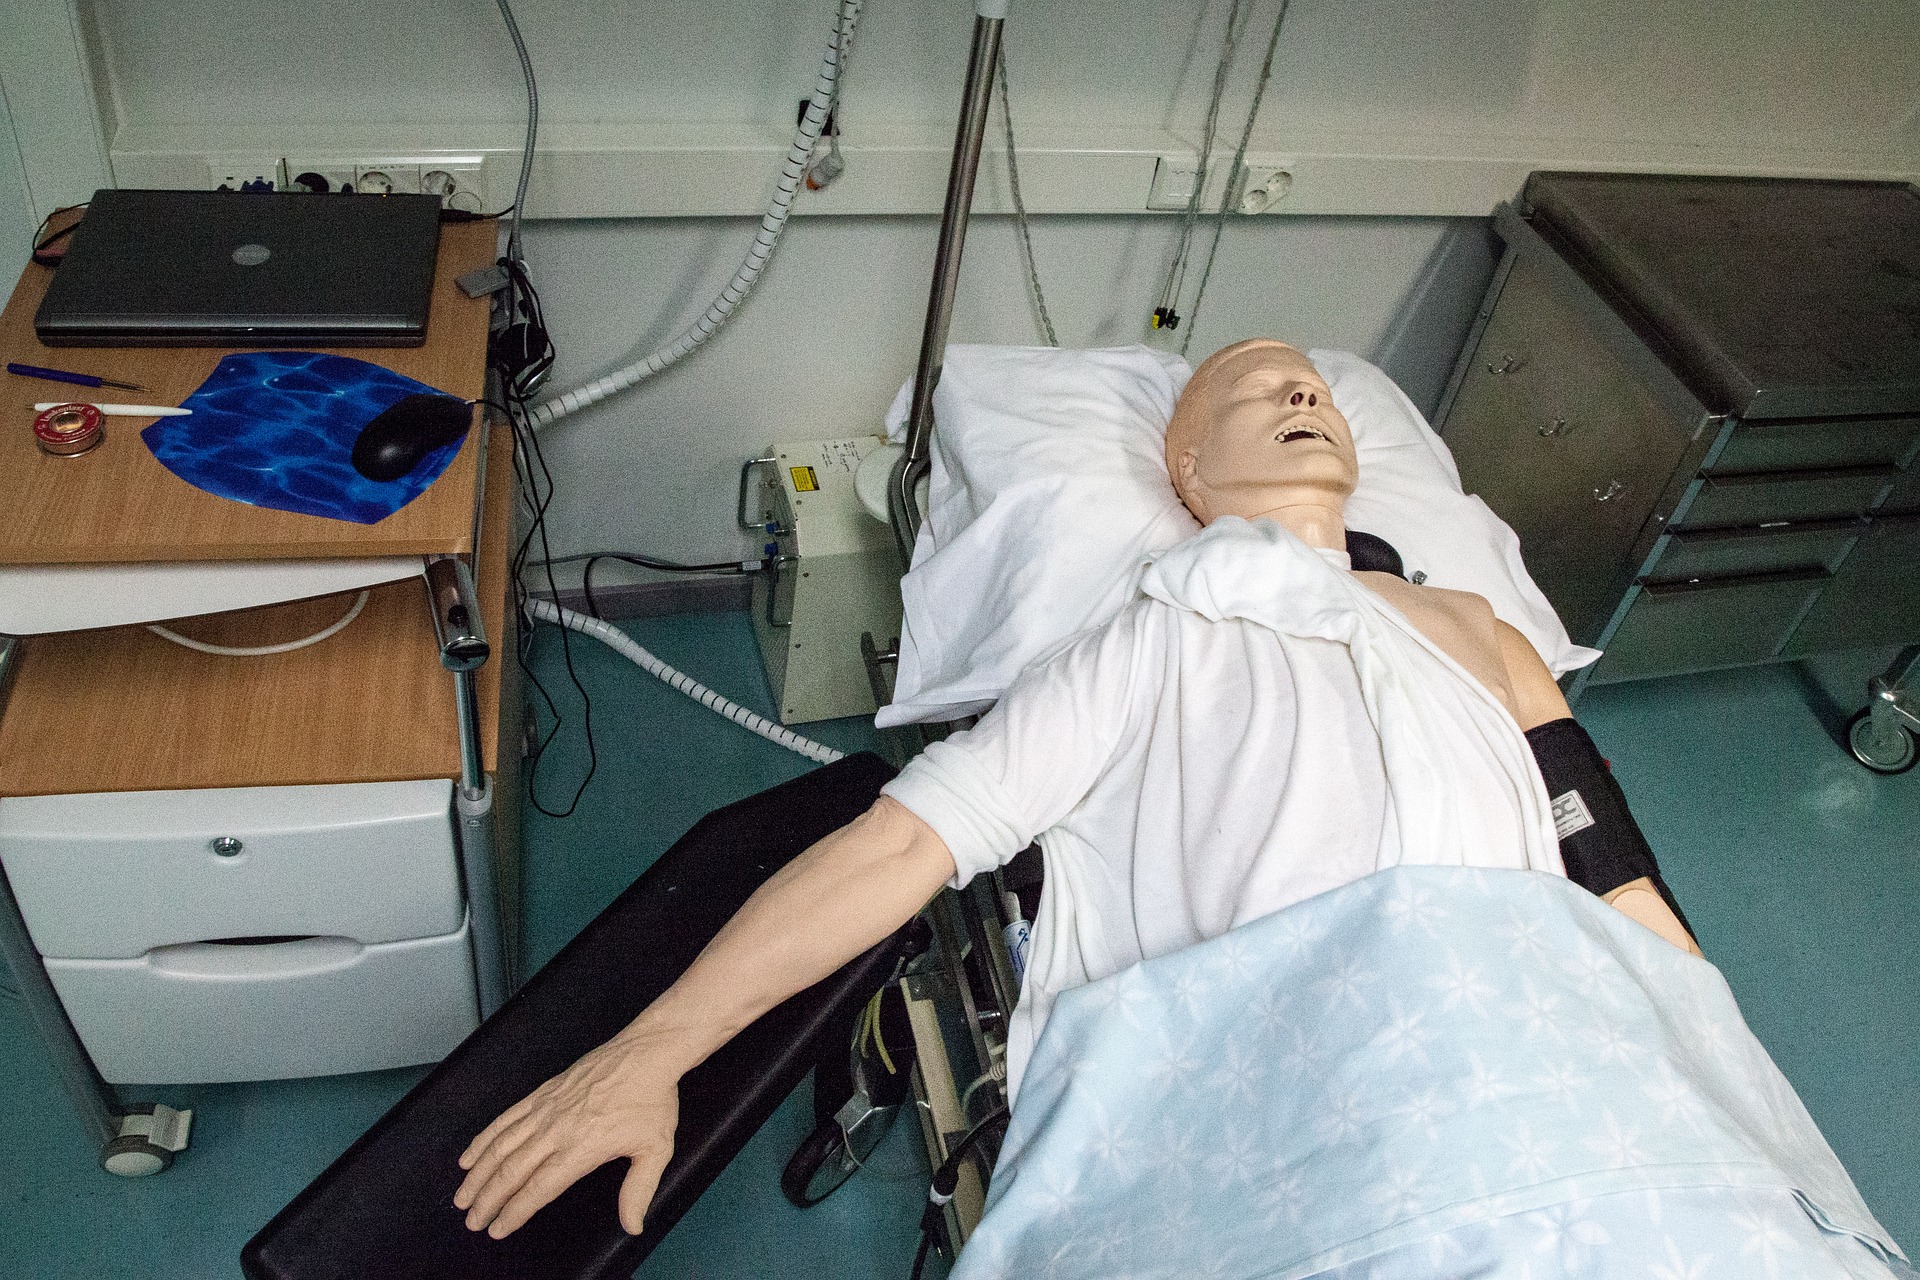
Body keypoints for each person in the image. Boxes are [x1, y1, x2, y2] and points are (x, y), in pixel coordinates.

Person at [452, 338, 1696, 1241]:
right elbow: (904, 844)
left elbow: (1615, 869)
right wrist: (646, 1052)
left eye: (1309, 380)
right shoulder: (1153, 632)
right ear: (1185, 468)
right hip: (1286, 1120)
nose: (1299, 387)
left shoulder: (1485, 629)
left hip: (1550, 1081)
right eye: (1250, 387)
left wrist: (1718, 1084)